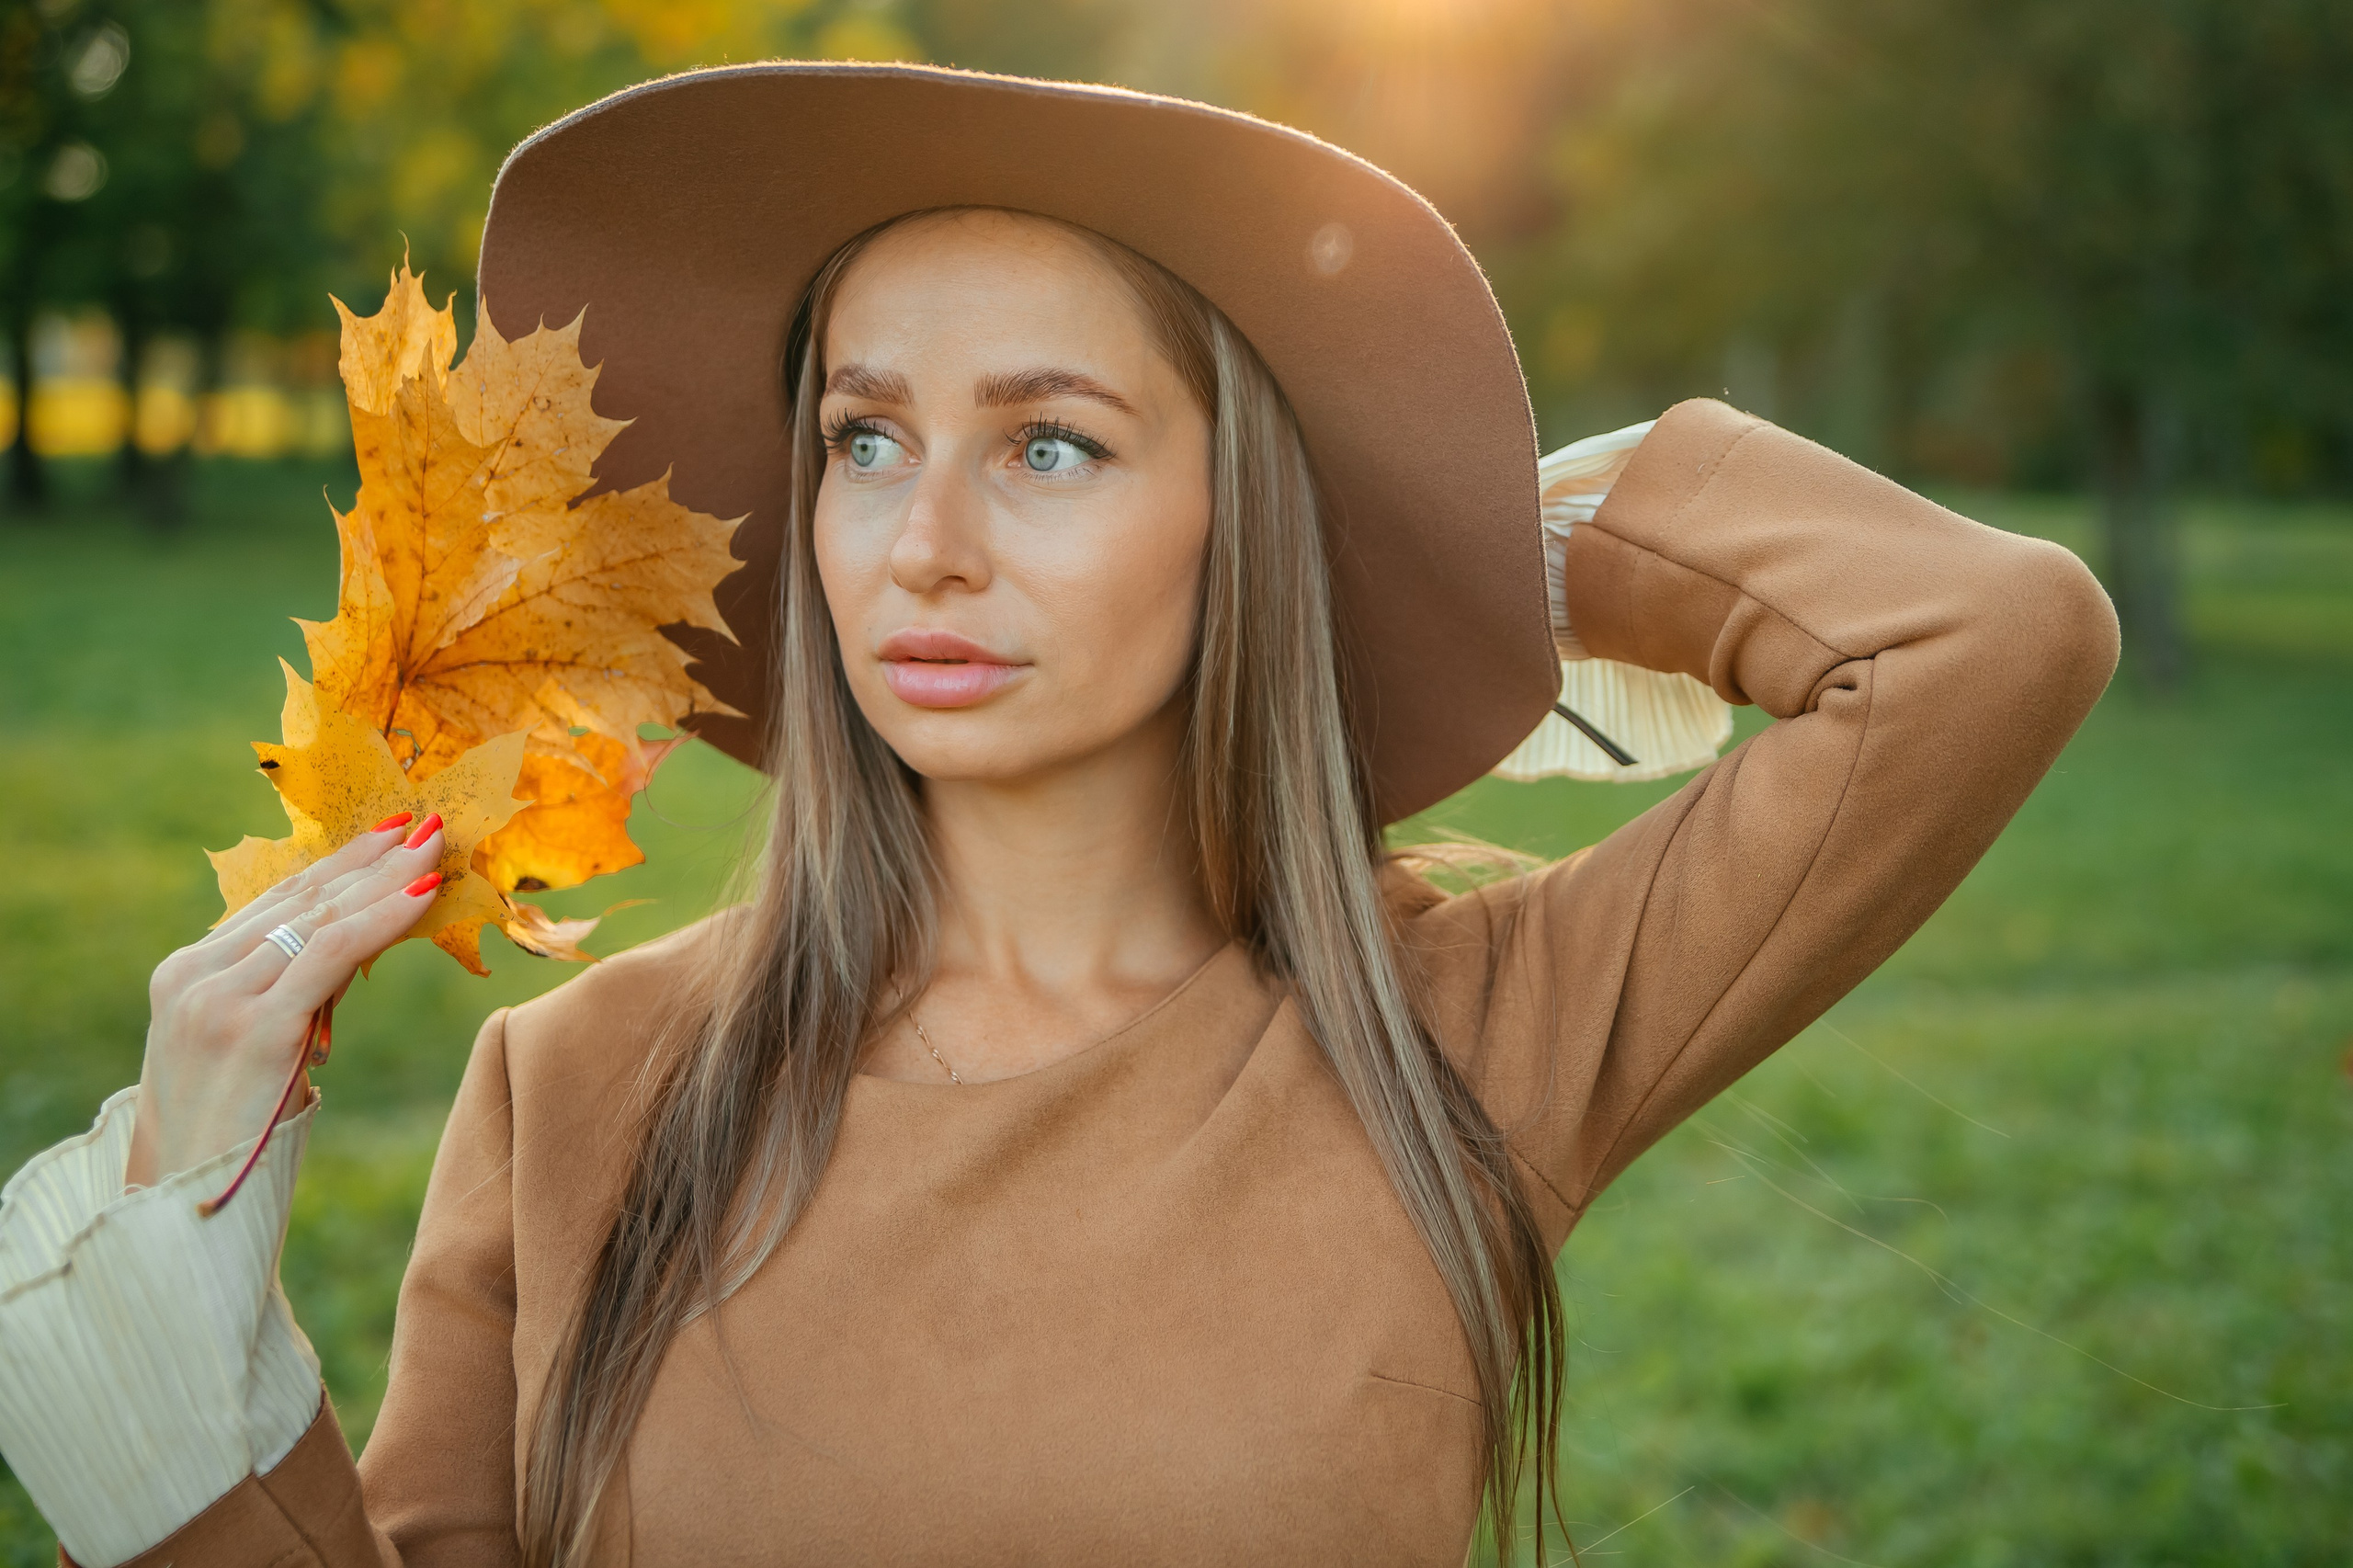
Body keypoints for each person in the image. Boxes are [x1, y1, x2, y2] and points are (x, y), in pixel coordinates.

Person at [0, 62, 2118, 1568]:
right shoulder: (580, 1087)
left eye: (1052, 449)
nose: (916, 545)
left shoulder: (1465, 1028)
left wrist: (1453, 561)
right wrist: (179, 1346)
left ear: (1243, 515)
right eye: (861, 436)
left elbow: (1980, 635)